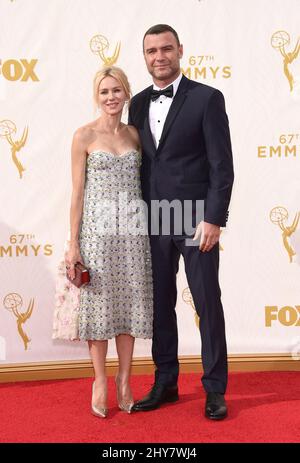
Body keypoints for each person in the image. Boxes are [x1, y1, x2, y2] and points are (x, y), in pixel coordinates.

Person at [128, 24, 234, 420]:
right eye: (152, 50)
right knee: (160, 305)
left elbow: (222, 165)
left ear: (180, 51)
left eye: (166, 49)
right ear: (145, 57)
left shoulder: (207, 98)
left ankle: (215, 388)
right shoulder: (136, 104)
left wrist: (213, 218)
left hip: (195, 220)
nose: (159, 56)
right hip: (153, 220)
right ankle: (166, 382)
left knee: (207, 301)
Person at [64, 66, 153, 418]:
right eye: (104, 92)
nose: (111, 97)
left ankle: (125, 380)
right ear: (96, 97)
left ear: (126, 93)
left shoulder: (135, 136)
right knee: (99, 308)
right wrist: (73, 243)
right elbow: (77, 193)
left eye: (116, 90)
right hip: (98, 236)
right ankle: (99, 380)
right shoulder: (83, 135)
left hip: (133, 234)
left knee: (129, 305)